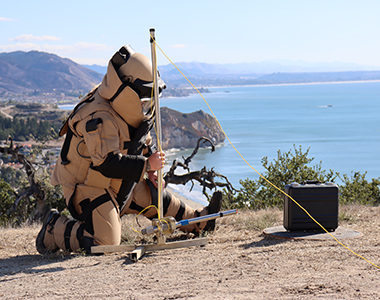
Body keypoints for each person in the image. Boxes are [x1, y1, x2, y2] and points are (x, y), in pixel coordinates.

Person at [36, 45, 222, 254]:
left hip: (118, 184)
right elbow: (107, 163)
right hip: (88, 190)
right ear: (128, 90)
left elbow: (141, 140)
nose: (148, 103)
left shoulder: (124, 106)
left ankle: (200, 221)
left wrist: (151, 171)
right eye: (145, 96)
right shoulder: (99, 116)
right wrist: (147, 165)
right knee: (106, 242)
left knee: (155, 196)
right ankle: (54, 229)